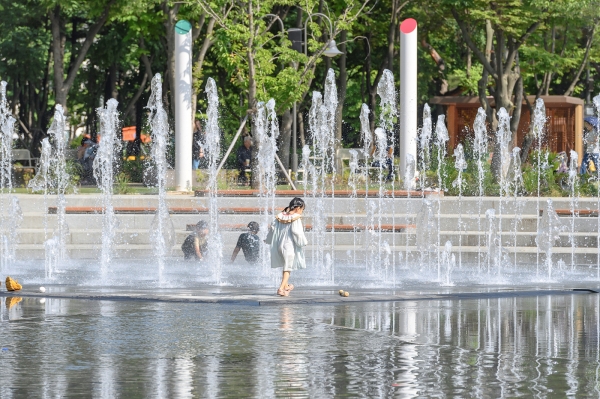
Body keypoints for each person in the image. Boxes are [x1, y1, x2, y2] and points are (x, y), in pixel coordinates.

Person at [265, 197, 308, 297]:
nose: (302, 212)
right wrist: (303, 242)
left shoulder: (280, 216)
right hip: (289, 246)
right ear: (298, 208)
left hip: (279, 245)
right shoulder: (296, 218)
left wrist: (268, 240)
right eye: (302, 209)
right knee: (288, 268)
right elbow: (296, 232)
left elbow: (272, 229)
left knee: (286, 267)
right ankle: (281, 288)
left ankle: (286, 287)